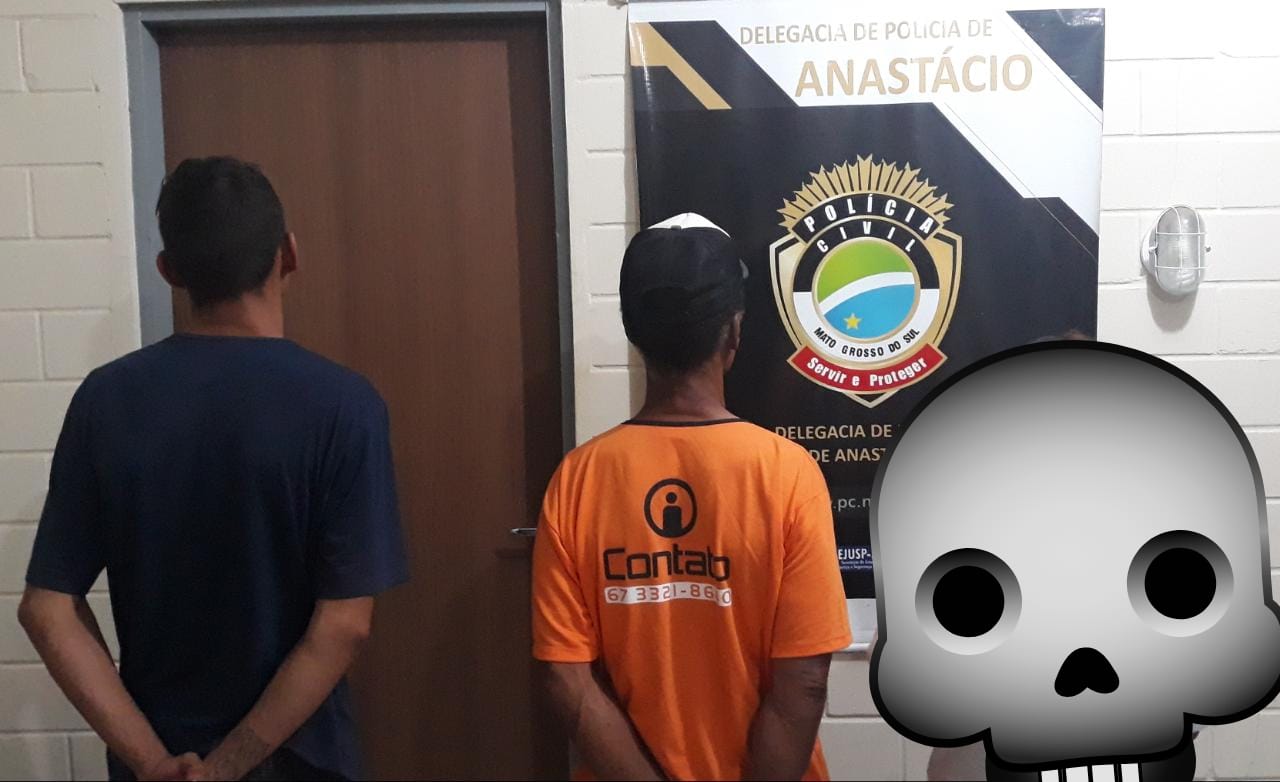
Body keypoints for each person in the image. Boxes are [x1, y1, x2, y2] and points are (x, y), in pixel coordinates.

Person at [18, 157, 408, 781]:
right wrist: (225, 768)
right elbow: (343, 626)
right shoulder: (344, 406)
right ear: (289, 254)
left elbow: (47, 611)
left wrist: (152, 762)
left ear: (168, 271)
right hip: (299, 762)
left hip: (157, 758)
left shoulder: (105, 400)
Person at [531, 213, 852, 781]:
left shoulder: (578, 479)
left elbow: (567, 678)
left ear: (634, 332)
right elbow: (804, 679)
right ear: (734, 332)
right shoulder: (786, 473)